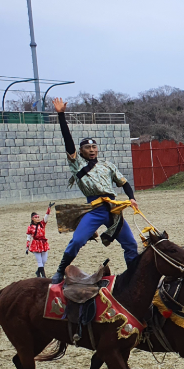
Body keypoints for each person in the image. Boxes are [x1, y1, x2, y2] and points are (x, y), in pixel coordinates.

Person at [50, 97, 139, 284]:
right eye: (87, 147)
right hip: (95, 210)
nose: (91, 149)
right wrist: (61, 115)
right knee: (77, 241)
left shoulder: (107, 165)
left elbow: (124, 183)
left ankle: (134, 277)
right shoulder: (77, 164)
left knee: (131, 244)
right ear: (81, 151)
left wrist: (131, 198)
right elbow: (68, 142)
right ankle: (59, 271)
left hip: (113, 210)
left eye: (93, 146)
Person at [26, 203, 55, 278]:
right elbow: (28, 237)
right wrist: (27, 247)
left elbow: (46, 216)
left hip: (43, 243)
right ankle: (43, 276)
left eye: (38, 217)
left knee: (44, 260)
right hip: (36, 244)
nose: (38, 218)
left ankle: (38, 271)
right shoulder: (30, 227)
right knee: (39, 261)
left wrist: (49, 208)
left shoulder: (42, 224)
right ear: (32, 218)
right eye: (36, 217)